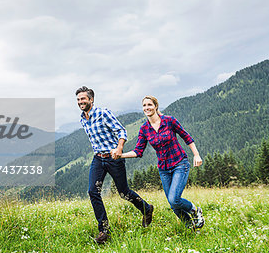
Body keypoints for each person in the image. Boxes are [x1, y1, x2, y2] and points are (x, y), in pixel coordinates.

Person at [76, 86, 154, 244]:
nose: (80, 102)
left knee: (124, 193)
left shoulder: (103, 113)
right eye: (78, 100)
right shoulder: (82, 118)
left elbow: (121, 131)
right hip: (98, 158)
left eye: (83, 99)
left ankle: (146, 208)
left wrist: (119, 148)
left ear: (91, 99)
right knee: (93, 192)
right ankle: (104, 230)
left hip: (113, 158)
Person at [116, 95, 205, 230]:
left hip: (179, 163)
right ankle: (190, 228)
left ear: (156, 106)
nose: (147, 108)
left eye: (149, 105)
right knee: (172, 203)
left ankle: (194, 210)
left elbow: (186, 137)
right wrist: (120, 155)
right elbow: (138, 151)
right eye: (144, 106)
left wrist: (196, 155)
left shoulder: (169, 121)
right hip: (164, 169)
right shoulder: (144, 129)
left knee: (175, 199)